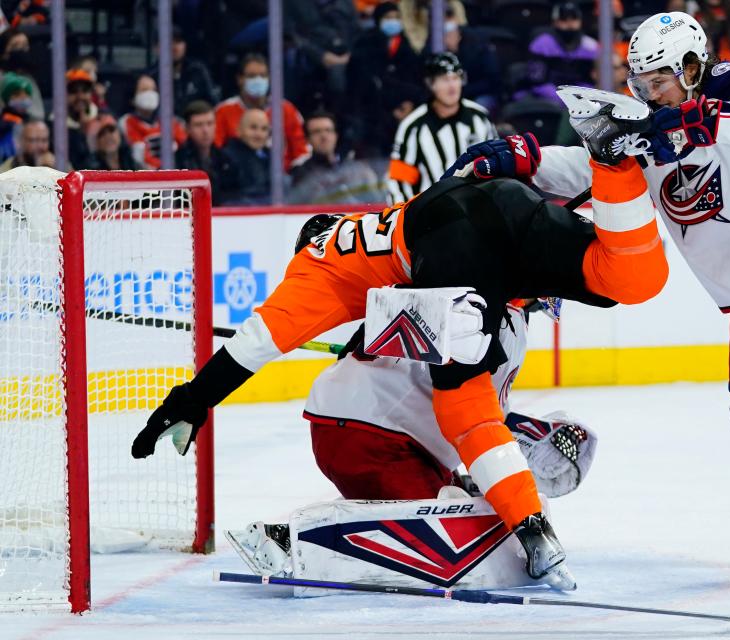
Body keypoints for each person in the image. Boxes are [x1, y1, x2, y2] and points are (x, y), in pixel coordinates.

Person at [446, 11, 730, 595]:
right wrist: (524, 156)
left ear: (693, 67)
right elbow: (597, 171)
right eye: (640, 84)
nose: (647, 95)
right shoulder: (653, 126)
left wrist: (682, 124)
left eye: (659, 82)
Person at [130, 132, 670, 591]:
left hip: (373, 429)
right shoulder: (442, 281)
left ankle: (421, 516)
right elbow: (463, 403)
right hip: (369, 432)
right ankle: (304, 541)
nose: (547, 304)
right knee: (477, 536)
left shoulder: (417, 273)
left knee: (480, 505)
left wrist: (192, 399)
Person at [228, 291, 598, 587]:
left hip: (355, 425)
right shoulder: (504, 323)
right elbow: (478, 421)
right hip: (376, 436)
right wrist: (528, 439)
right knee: (448, 535)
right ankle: (288, 540)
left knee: (464, 502)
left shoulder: (461, 283)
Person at [386, 52, 496, 203]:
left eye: (455, 78)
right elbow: (399, 180)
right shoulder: (413, 126)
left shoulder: (480, 118)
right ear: (431, 84)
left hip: (476, 210)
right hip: (431, 216)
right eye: (444, 79)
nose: (452, 86)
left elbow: (497, 165)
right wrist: (407, 219)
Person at [346, 1, 423, 157]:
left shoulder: (408, 46)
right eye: (388, 17)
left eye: (396, 17)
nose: (393, 21)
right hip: (374, 112)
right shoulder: (364, 45)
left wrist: (409, 104)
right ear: (378, 20)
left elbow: (417, 78)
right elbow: (363, 83)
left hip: (408, 108)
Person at [214, 53, 310, 172]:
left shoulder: (286, 109)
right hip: (237, 179)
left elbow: (302, 151)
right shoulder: (224, 111)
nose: (258, 80)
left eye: (263, 75)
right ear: (240, 79)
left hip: (284, 180)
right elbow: (215, 151)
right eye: (252, 76)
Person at [524, 2, 598, 103]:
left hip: (581, 98)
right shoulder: (542, 44)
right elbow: (537, 82)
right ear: (555, 22)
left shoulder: (590, 46)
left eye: (574, 19)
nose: (569, 23)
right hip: (548, 97)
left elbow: (591, 81)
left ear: (580, 21)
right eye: (564, 19)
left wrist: (579, 98)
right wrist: (562, 98)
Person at [118, 74, 188, 169]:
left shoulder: (169, 120)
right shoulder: (126, 122)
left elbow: (184, 145)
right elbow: (138, 155)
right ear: (133, 96)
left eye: (153, 90)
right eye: (144, 90)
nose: (150, 94)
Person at [150, 26, 218, 116]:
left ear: (185, 45)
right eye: (168, 42)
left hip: (195, 126)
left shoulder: (198, 70)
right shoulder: (150, 76)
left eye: (178, 41)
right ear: (156, 48)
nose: (174, 47)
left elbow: (213, 103)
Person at [176, 100, 228, 204]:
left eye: (210, 123)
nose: (205, 130)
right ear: (187, 128)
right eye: (198, 125)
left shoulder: (226, 159)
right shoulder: (176, 163)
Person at [219, 108, 271, 205]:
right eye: (253, 127)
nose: (259, 134)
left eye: (264, 129)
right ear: (239, 130)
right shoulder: (227, 158)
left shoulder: (271, 157)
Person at [61, 68, 97, 169]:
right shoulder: (55, 129)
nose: (80, 96)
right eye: (73, 91)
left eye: (85, 91)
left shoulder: (103, 120)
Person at [0, 72, 33, 161]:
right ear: (7, 99)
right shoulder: (4, 123)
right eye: (17, 95)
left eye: (26, 94)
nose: (23, 99)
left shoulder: (32, 122)